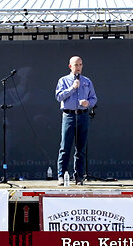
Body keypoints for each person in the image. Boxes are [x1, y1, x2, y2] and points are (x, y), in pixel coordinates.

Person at [55, 56, 97, 185]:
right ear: (70, 66)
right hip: (69, 116)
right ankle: (61, 175)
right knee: (65, 147)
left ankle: (78, 176)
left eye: (80, 64)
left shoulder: (87, 81)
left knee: (80, 148)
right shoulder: (63, 80)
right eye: (76, 65)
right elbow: (58, 96)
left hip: (83, 116)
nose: (78, 67)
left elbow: (94, 98)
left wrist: (88, 103)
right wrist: (72, 88)